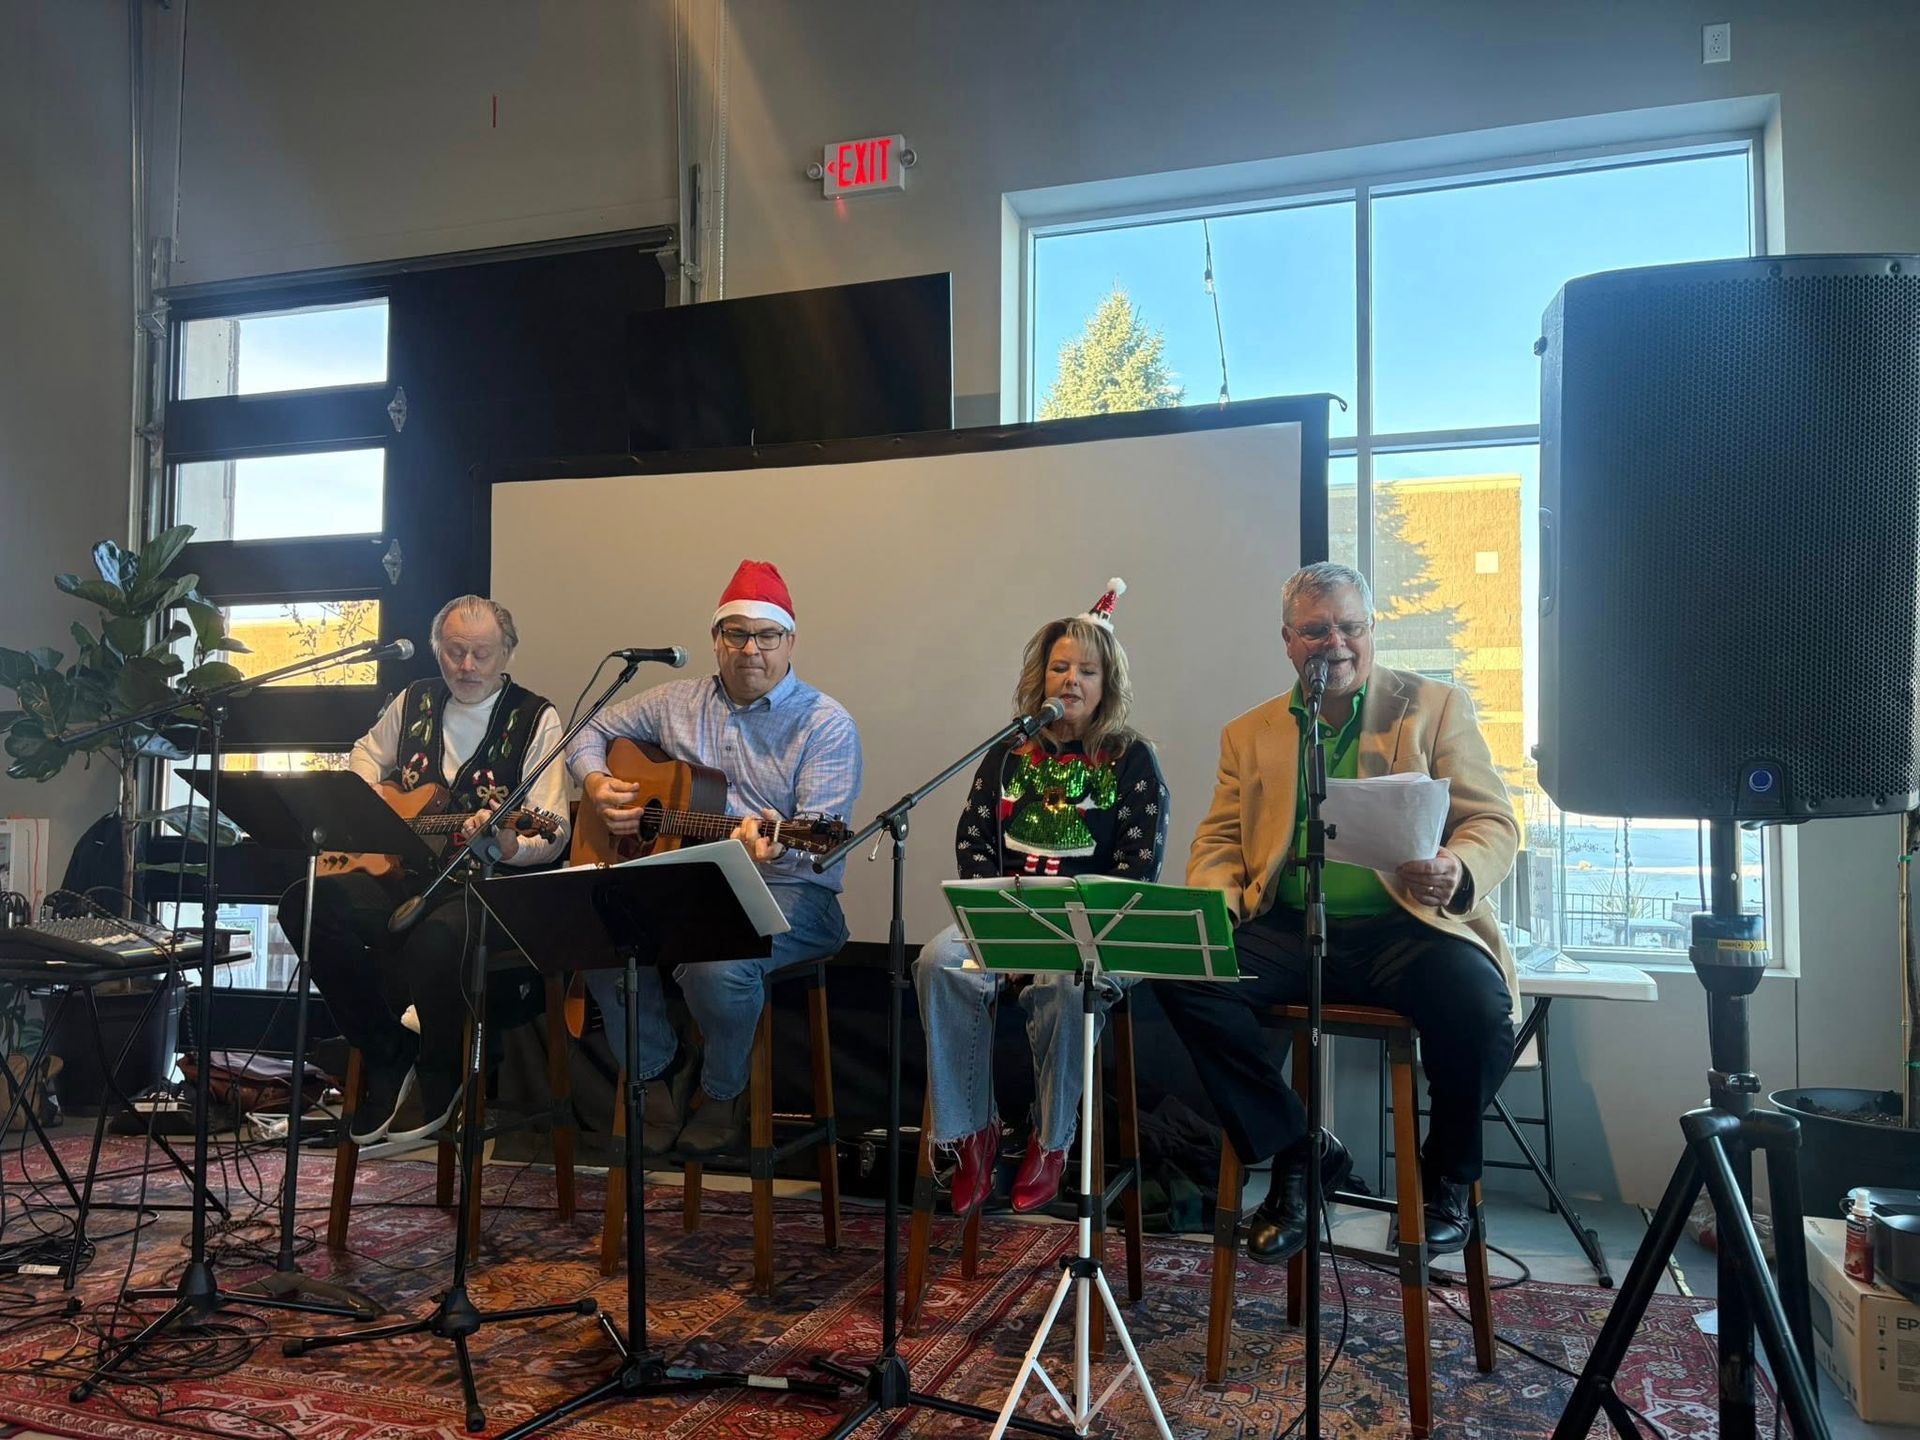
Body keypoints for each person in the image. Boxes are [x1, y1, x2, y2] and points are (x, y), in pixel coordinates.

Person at [1158, 561, 1518, 1262]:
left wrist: (1458, 867)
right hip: (1291, 927)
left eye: (1350, 627)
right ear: (1288, 642)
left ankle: (1445, 1176)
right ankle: (1301, 1150)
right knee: (1183, 974)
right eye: (1317, 631)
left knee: (1478, 1012)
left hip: (1407, 927)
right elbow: (1222, 838)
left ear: (1371, 630)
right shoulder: (1250, 732)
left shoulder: (1435, 707)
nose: (1336, 644)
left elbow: (1493, 821)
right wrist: (1215, 899)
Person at [568, 560, 861, 1159]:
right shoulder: (676, 701)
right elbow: (584, 730)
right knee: (592, 937)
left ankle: (721, 1092)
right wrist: (598, 785)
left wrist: (770, 846)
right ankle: (655, 1072)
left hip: (792, 893)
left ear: (789, 642)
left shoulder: (825, 724)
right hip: (683, 884)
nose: (751, 649)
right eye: (736, 634)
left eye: (766, 636)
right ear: (715, 640)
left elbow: (817, 850)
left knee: (716, 962)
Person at [913, 580, 1169, 1216]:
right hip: (1010, 912)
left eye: (1086, 670)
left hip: (1094, 927)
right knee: (937, 962)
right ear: (1041, 676)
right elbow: (973, 841)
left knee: (1064, 983)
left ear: (1108, 682)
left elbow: (1140, 868)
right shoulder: (1006, 753)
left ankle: (1052, 1140)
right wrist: (997, 914)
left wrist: (1069, 925)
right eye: (1060, 667)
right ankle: (972, 1135)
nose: (1071, 681)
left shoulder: (1132, 758)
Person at [279, 595, 571, 1146]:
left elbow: (552, 830)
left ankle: (442, 1071)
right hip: (403, 881)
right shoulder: (414, 700)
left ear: (506, 652)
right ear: (438, 649)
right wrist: (383, 806)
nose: (466, 666)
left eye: (481, 654)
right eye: (454, 651)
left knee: (434, 940)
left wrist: (508, 844)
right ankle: (387, 1051)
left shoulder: (537, 717)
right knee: (306, 903)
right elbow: (362, 757)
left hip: (489, 895)